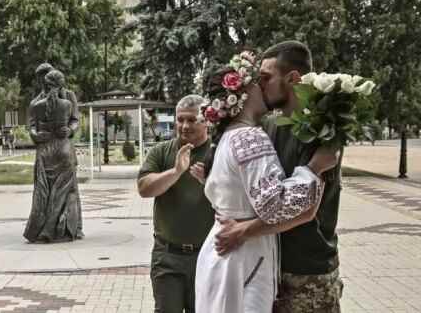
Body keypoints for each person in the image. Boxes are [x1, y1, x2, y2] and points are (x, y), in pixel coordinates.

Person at [208, 41, 347, 313]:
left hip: (308, 272)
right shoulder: (266, 126)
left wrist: (243, 231)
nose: (260, 85)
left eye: (266, 78)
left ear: (293, 79)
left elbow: (306, 208)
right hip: (265, 265)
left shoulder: (323, 134)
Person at [137, 95, 215, 313]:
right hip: (168, 257)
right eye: (180, 120)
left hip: (207, 257)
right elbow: (144, 188)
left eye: (192, 120)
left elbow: (234, 199)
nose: (184, 126)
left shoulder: (218, 152)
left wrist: (209, 182)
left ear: (207, 120)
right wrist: (176, 172)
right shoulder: (162, 151)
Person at [23, 70, 83, 243]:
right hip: (50, 148)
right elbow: (32, 126)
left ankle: (72, 227)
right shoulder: (35, 102)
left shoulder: (69, 97)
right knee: (46, 190)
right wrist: (35, 135)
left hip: (60, 147)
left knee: (70, 192)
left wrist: (70, 129)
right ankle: (47, 227)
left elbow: (75, 119)